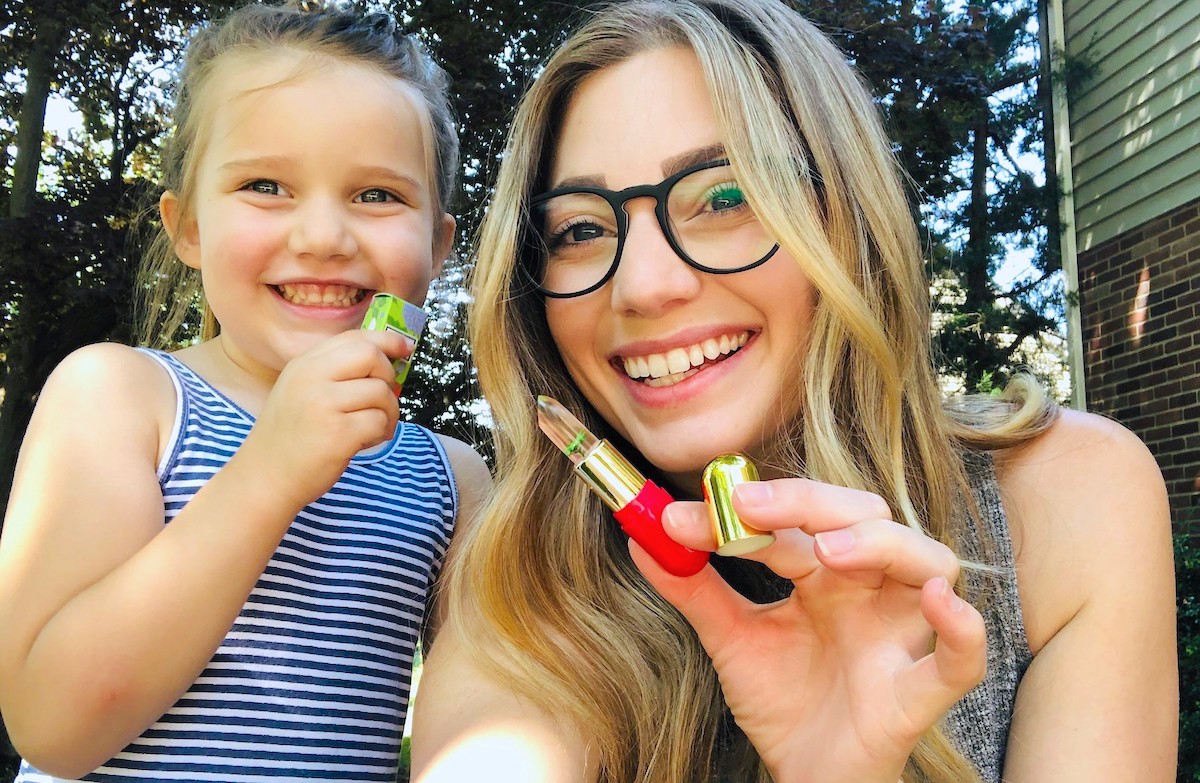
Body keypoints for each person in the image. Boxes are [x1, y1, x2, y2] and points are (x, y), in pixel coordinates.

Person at [410, 0, 1178, 781]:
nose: (642, 285)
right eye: (579, 230)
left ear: (847, 220)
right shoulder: (516, 585)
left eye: (725, 195)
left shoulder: (1065, 502)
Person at [0, 2, 490, 781]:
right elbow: (50, 726)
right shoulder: (122, 396)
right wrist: (272, 470)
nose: (324, 235)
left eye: (376, 195)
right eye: (267, 185)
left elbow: (481, 729)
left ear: (436, 244)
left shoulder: (451, 480)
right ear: (188, 227)